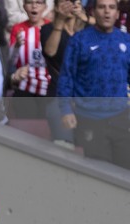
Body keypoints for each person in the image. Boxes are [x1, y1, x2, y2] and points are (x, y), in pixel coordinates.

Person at [58, 0, 130, 169]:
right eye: (102, 7)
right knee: (98, 175)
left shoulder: (126, 41)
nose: (107, 12)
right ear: (93, 12)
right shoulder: (79, 40)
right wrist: (66, 110)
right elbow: (67, 77)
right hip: (89, 120)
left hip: (121, 119)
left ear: (117, 14)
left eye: (111, 8)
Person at [40, 0, 88, 147]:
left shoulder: (89, 32)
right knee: (64, 146)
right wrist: (59, 22)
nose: (70, 6)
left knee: (93, 150)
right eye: (65, 2)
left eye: (74, 2)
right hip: (59, 98)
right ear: (56, 7)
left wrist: (85, 20)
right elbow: (50, 51)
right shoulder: (48, 29)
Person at [9, 0, 51, 118]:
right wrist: (16, 46)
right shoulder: (18, 29)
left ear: (45, 7)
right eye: (30, 2)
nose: (34, 6)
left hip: (47, 89)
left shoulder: (52, 29)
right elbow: (10, 62)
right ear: (24, 7)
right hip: (24, 87)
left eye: (39, 2)